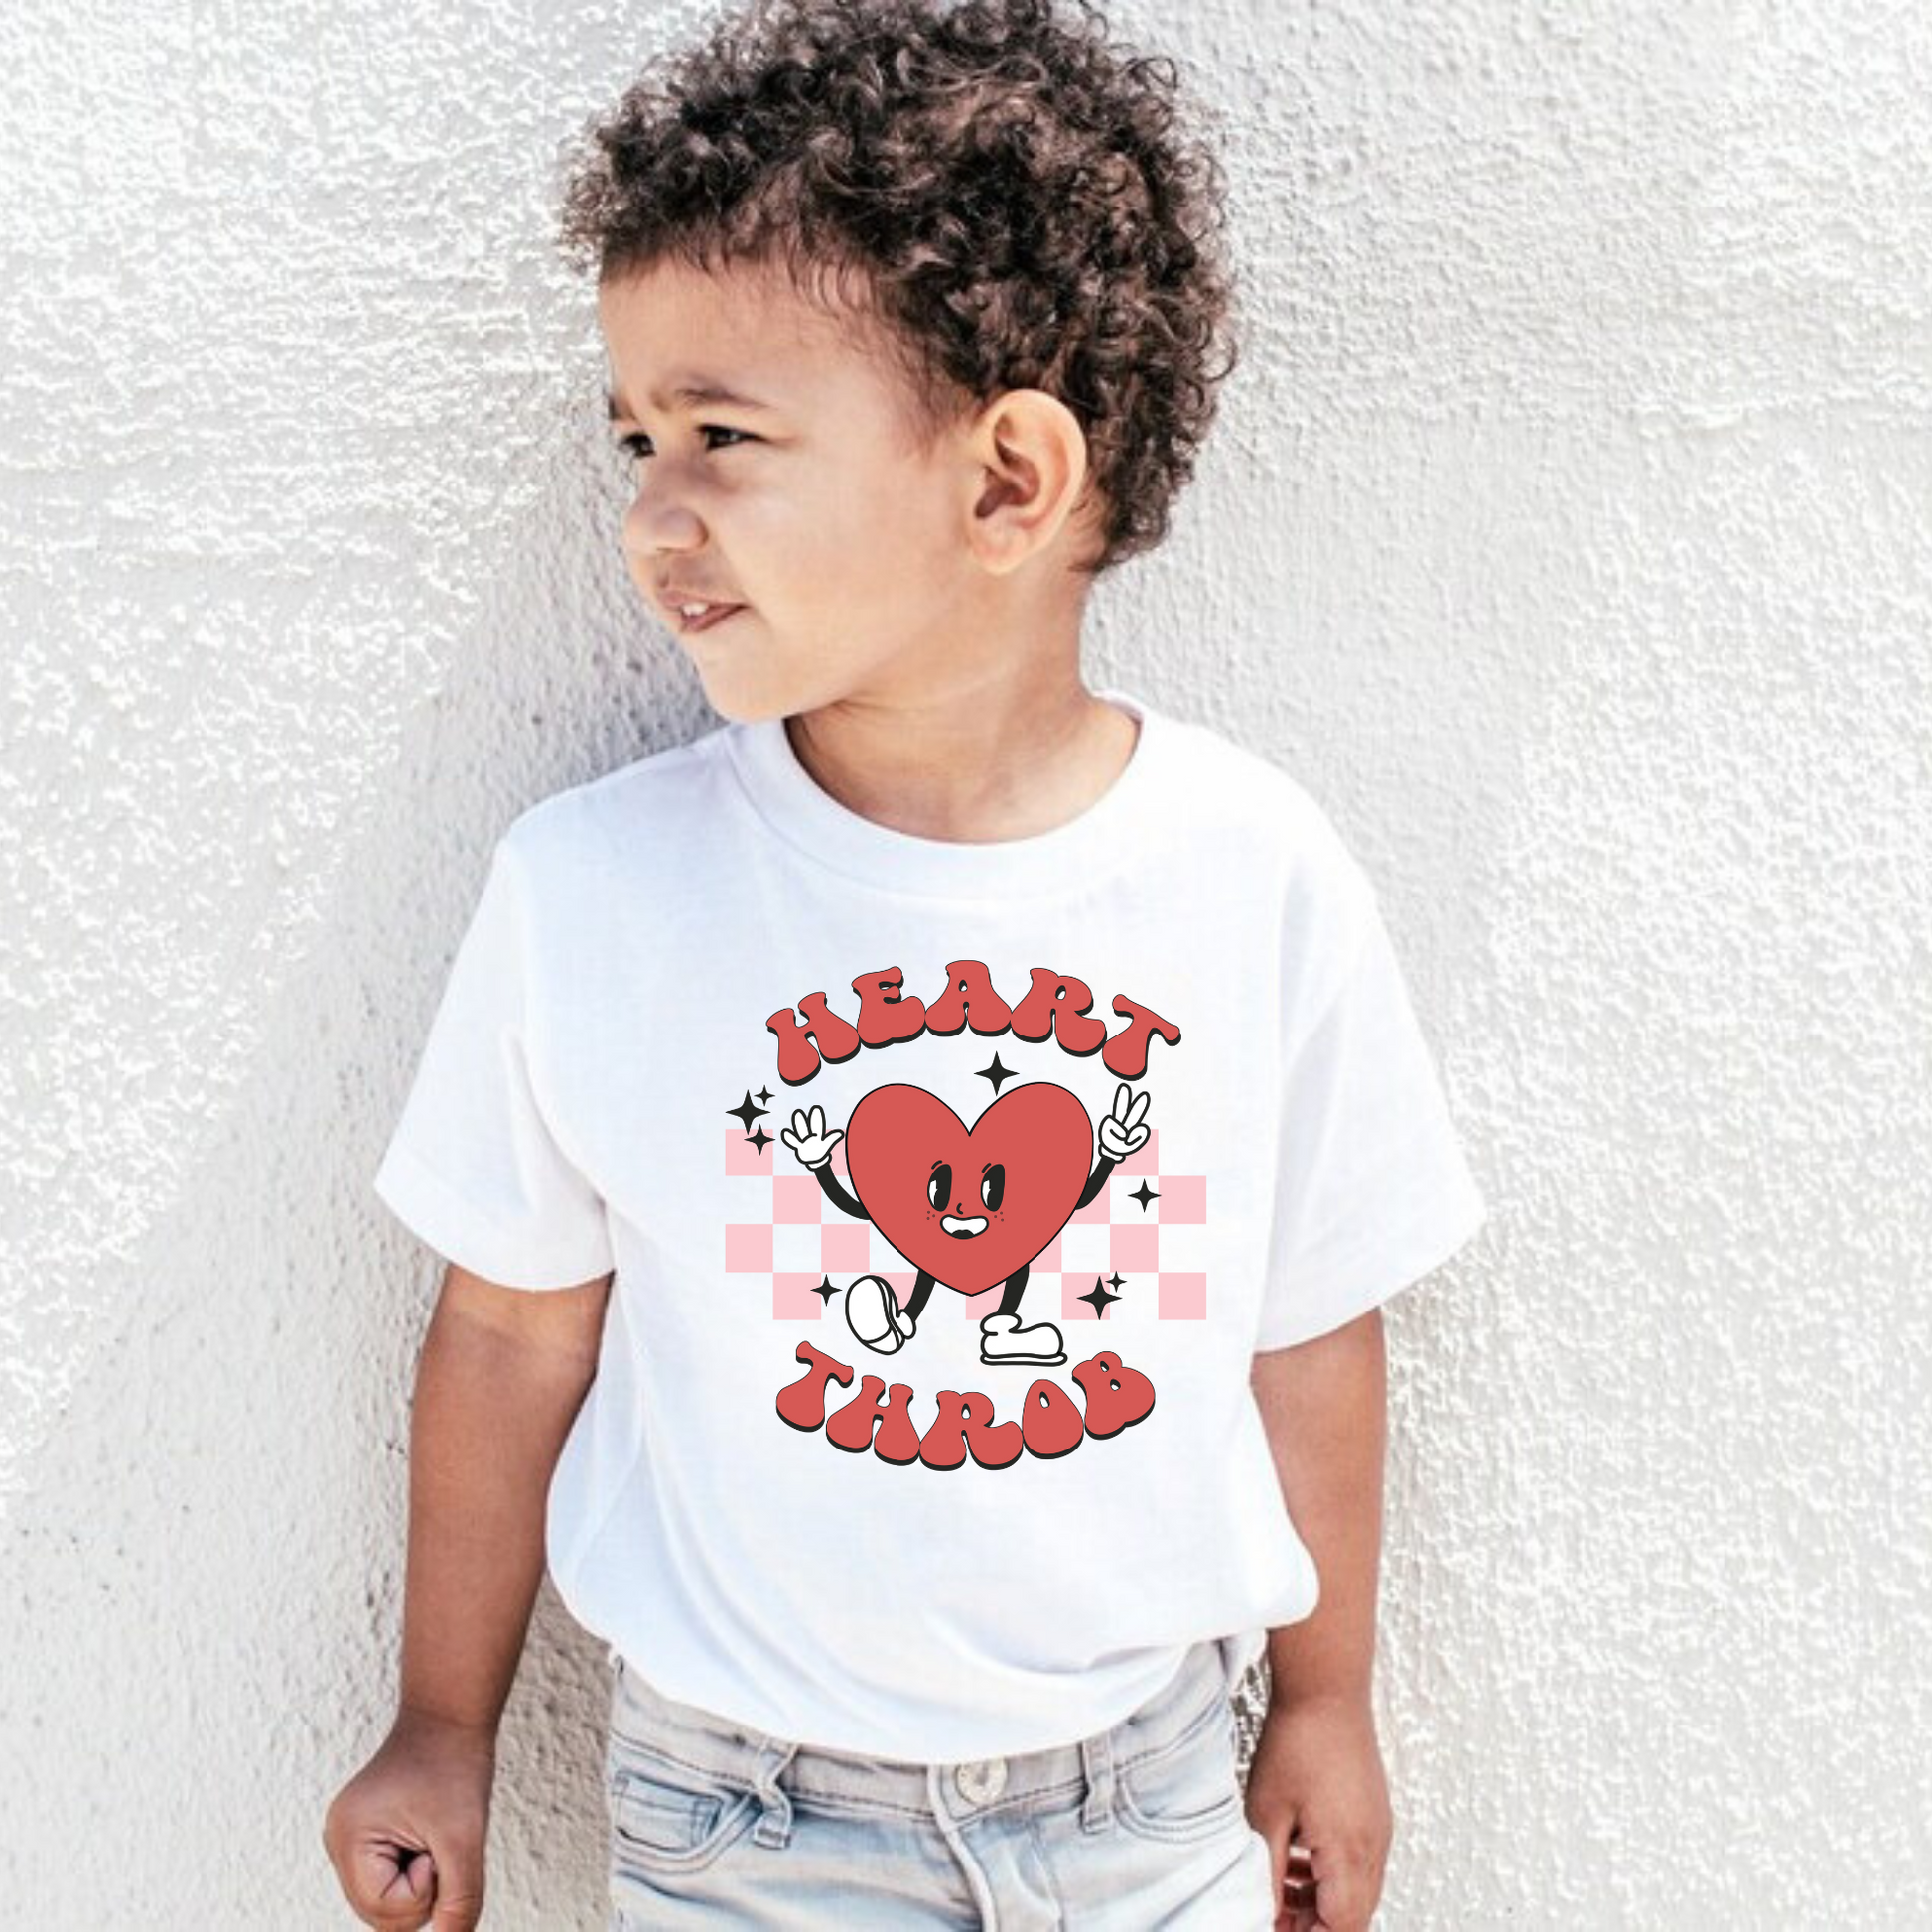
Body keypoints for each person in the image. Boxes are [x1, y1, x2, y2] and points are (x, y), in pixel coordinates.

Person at [321, 1, 1487, 1927]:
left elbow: (1308, 1322)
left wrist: (1326, 1698)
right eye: (637, 440)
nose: (654, 514)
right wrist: (441, 1724)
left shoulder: (1248, 875)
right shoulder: (595, 890)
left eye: (722, 436)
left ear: (1007, 480)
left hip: (1145, 1799)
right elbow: (516, 1330)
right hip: (746, 1822)